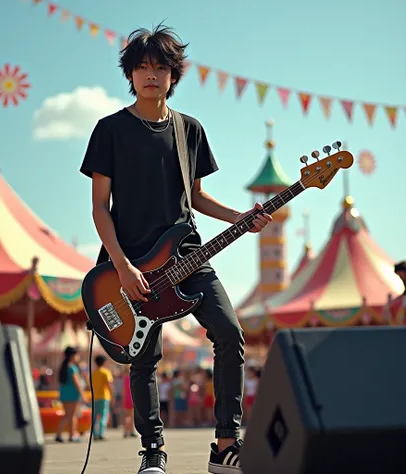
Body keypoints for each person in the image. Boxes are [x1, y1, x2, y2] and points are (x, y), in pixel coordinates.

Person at [80, 23, 272, 474]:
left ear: (173, 76)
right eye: (142, 67)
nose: (151, 75)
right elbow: (99, 208)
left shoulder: (190, 130)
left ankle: (226, 444)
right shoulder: (110, 130)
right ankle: (152, 451)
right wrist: (123, 267)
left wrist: (239, 219)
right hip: (131, 266)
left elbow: (197, 197)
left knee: (230, 333)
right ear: (130, 75)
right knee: (144, 358)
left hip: (188, 255)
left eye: (160, 67)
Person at [55, 347, 88, 443]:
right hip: (73, 394)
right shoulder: (72, 368)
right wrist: (83, 394)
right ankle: (72, 435)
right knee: (72, 415)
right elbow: (77, 383)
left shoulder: (64, 367)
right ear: (72, 356)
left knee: (67, 415)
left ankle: (59, 434)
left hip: (64, 394)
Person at [91, 354, 114, 441]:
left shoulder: (94, 372)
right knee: (103, 416)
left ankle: (94, 433)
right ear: (104, 362)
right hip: (104, 397)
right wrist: (113, 396)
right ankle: (100, 433)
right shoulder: (105, 372)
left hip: (95, 397)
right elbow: (109, 385)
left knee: (95, 416)